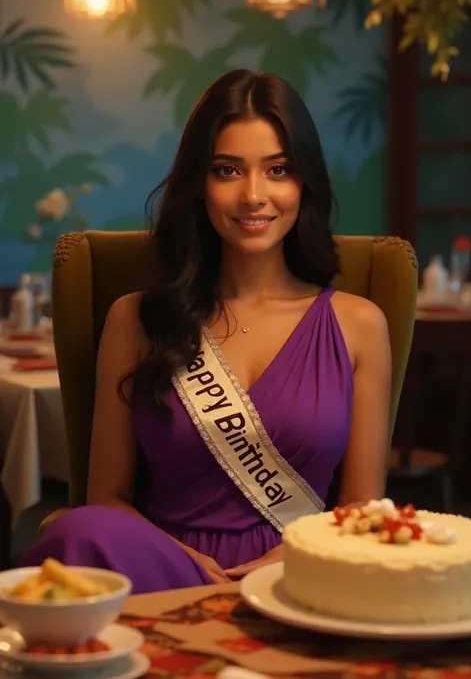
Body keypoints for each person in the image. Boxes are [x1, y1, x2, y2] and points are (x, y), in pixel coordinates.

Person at [21, 69, 391, 594]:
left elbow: (359, 508)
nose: (254, 195)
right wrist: (188, 561)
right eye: (228, 170)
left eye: (278, 169)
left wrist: (289, 558)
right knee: (79, 529)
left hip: (302, 570)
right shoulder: (136, 319)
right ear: (199, 183)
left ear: (304, 181)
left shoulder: (358, 325)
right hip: (160, 569)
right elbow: (106, 495)